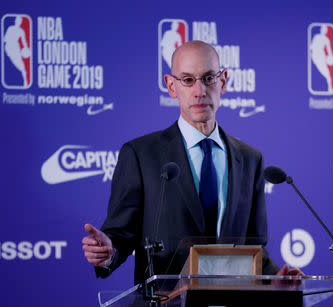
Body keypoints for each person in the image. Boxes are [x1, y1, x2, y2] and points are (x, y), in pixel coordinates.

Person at [82, 40, 302, 284]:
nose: (200, 91)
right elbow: (120, 235)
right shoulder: (141, 155)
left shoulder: (250, 159)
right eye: (188, 80)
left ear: (223, 81)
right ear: (171, 86)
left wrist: (274, 278)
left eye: (209, 78)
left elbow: (253, 246)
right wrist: (108, 252)